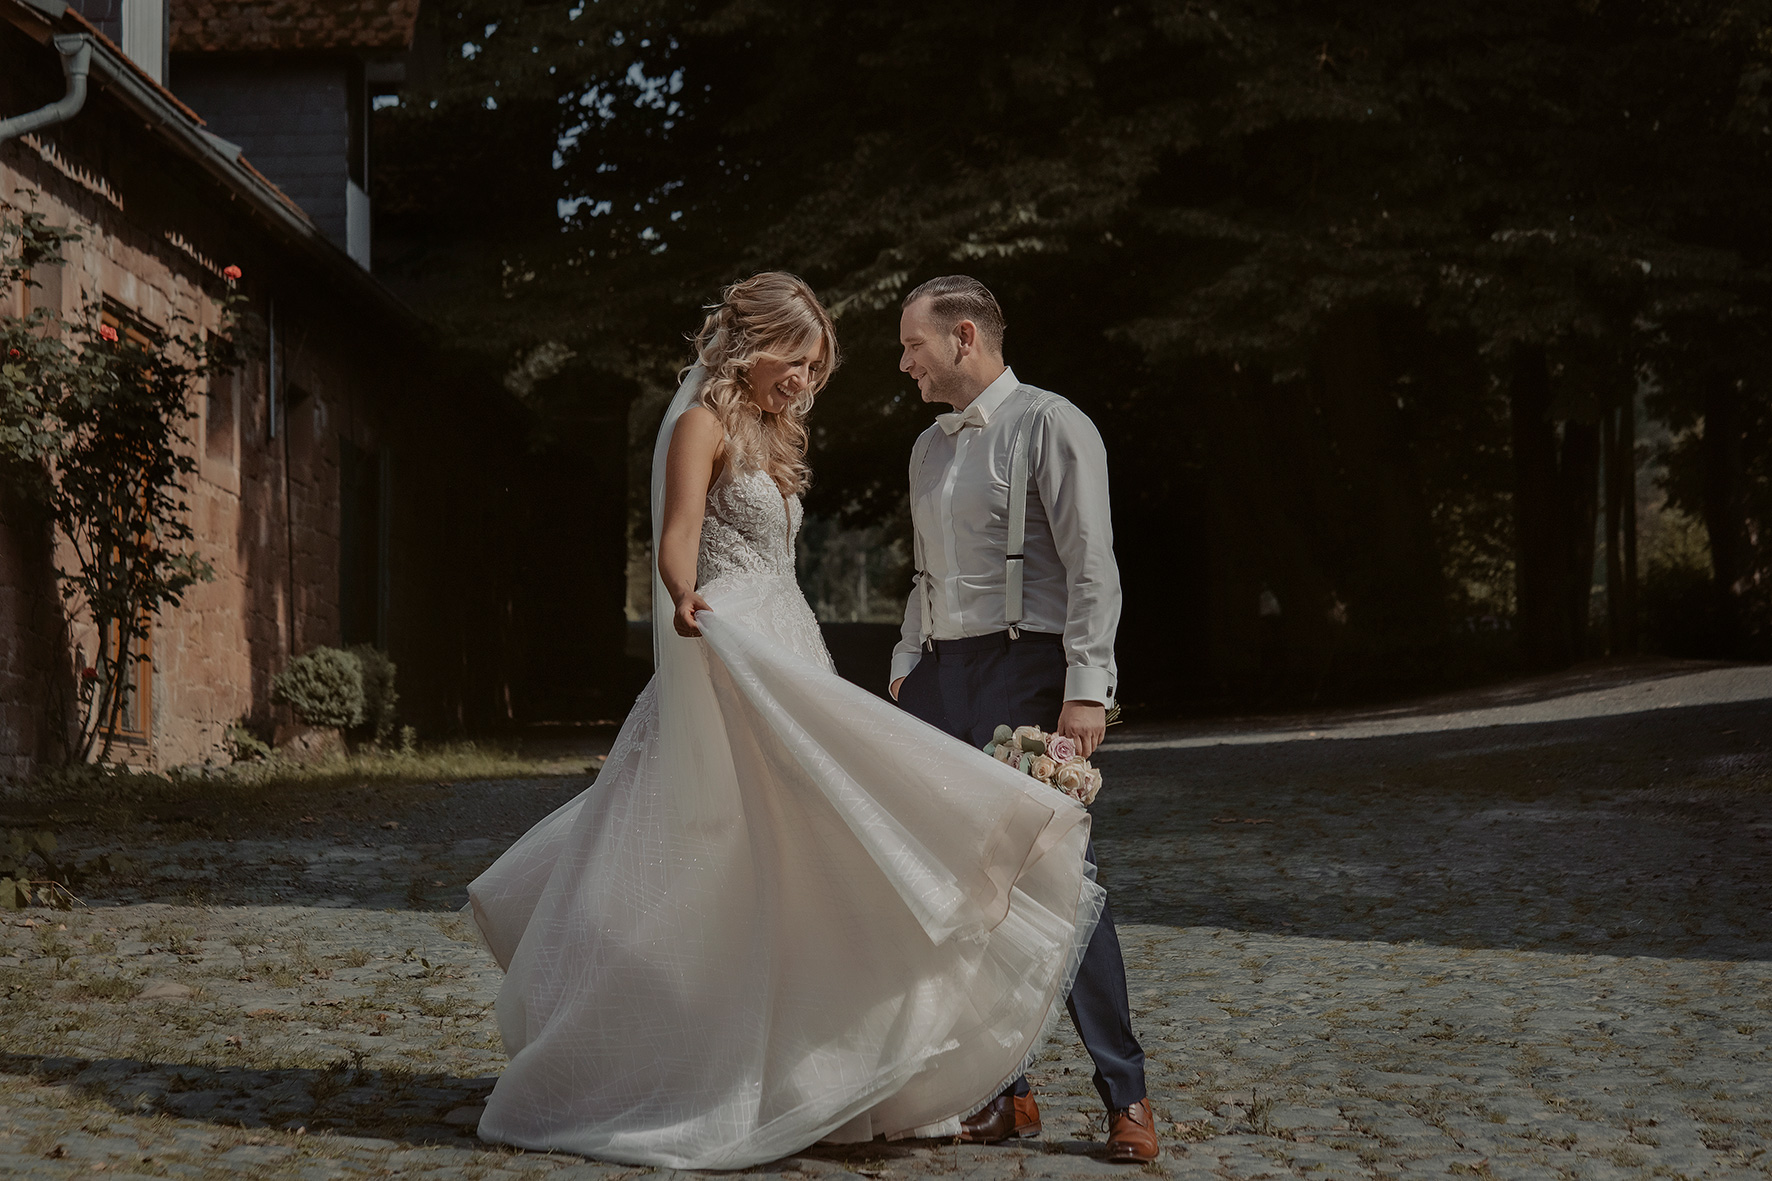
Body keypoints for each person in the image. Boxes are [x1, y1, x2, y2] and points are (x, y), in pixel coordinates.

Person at [466, 272, 1103, 1169]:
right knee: (726, 857)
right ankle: (702, 1066)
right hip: (729, 645)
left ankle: (825, 1075)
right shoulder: (700, 424)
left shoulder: (772, 432)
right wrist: (689, 601)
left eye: (814, 367)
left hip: (788, 644)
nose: (805, 380)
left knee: (813, 861)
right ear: (750, 344)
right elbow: (676, 539)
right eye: (795, 361)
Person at [889, 275, 1158, 1164]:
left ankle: (1127, 1093)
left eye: (912, 345)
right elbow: (925, 576)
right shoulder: (928, 450)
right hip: (942, 675)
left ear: (963, 337)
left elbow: (1093, 566)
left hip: (1029, 666)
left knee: (1061, 878)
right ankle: (1003, 1094)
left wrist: (1089, 684)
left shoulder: (1053, 423)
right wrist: (906, 668)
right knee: (957, 888)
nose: (904, 363)